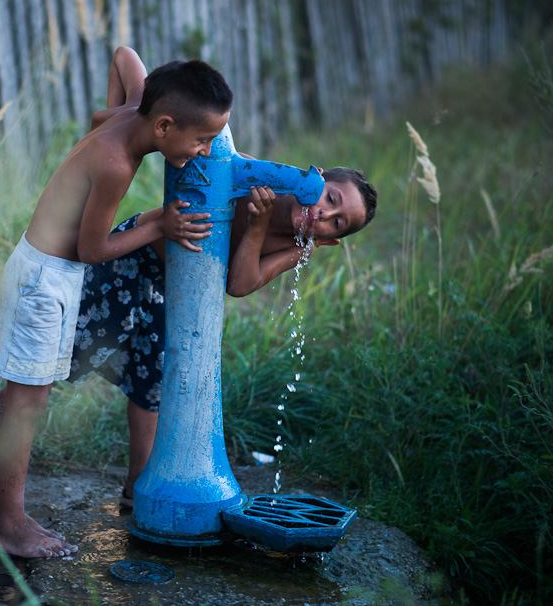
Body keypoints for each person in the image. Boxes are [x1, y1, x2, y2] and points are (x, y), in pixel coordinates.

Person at [0, 46, 233, 559]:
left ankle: (6, 502)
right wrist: (158, 224)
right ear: (164, 126)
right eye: (203, 139)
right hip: (45, 281)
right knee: (27, 403)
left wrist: (116, 105)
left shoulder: (132, 116)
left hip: (47, 274)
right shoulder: (117, 162)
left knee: (27, 399)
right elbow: (92, 250)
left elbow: (125, 55)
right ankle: (4, 519)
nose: (206, 151)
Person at [66, 166, 378, 506]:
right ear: (313, 178)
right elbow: (216, 155)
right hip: (134, 255)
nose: (324, 213)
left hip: (174, 293)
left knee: (154, 384)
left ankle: (136, 486)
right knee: (72, 345)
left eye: (336, 222)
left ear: (330, 240)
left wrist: (257, 229)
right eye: (330, 198)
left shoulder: (299, 247)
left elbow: (241, 285)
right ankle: (15, 399)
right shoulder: (261, 178)